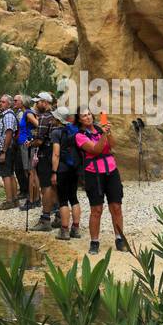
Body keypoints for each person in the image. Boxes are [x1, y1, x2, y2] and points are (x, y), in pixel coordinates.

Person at [74, 108, 125, 254]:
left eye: (89, 114)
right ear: (79, 120)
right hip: (93, 173)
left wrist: (108, 132)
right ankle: (94, 242)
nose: (88, 117)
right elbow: (95, 150)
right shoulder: (79, 136)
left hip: (111, 170)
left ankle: (120, 238)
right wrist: (103, 134)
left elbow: (112, 145)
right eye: (84, 116)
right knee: (96, 209)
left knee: (116, 206)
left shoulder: (99, 128)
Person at [50, 107, 82, 240]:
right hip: (74, 168)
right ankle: (76, 228)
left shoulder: (56, 132)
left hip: (62, 169)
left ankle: (64, 230)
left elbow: (56, 154)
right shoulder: (75, 130)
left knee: (63, 200)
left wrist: (53, 172)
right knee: (73, 198)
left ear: (58, 119)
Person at [31, 91, 57, 231]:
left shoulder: (44, 118)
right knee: (55, 185)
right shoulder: (56, 116)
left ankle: (45, 218)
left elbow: (39, 140)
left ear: (45, 103)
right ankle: (59, 215)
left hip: (45, 155)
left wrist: (30, 143)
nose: (36, 104)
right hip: (56, 153)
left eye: (38, 102)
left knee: (45, 186)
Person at [0, 94, 20, 210]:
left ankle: (9, 201)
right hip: (7, 148)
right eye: (0, 101)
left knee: (5, 174)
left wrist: (3, 151)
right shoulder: (5, 115)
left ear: (9, 104)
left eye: (3, 102)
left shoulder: (8, 115)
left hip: (6, 149)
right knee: (10, 173)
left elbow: (9, 133)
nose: (0, 103)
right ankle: (14, 200)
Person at [14, 93, 39, 210]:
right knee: (31, 173)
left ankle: (31, 200)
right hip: (26, 145)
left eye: (17, 101)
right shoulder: (27, 112)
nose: (15, 102)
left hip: (28, 146)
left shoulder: (28, 113)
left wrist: (32, 138)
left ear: (23, 103)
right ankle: (36, 199)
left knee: (30, 173)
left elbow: (39, 125)